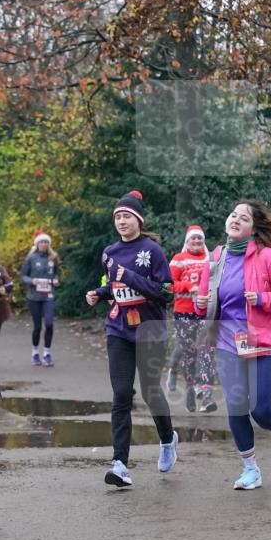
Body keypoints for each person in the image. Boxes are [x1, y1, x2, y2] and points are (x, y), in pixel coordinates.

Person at [195, 200, 271, 490]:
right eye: (233, 215)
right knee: (237, 408)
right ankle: (250, 469)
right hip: (228, 344)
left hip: (264, 343)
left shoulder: (266, 257)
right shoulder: (216, 257)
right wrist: (199, 302)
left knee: (260, 410)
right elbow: (203, 301)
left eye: (243, 217)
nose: (236, 220)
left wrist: (264, 299)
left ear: (254, 228)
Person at [86, 190, 178, 488]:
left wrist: (129, 277)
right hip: (118, 329)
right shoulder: (109, 252)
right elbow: (112, 285)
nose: (121, 221)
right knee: (122, 394)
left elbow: (166, 292)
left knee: (151, 392)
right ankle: (120, 464)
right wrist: (99, 294)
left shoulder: (152, 251)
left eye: (126, 216)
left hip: (150, 330)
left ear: (138, 219)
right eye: (117, 217)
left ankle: (167, 438)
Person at [168, 225, 218, 413]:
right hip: (184, 313)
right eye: (193, 239)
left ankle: (206, 396)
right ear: (186, 242)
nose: (197, 242)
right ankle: (190, 388)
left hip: (206, 313)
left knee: (206, 352)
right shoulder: (179, 260)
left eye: (200, 239)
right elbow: (168, 285)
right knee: (189, 354)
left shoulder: (211, 258)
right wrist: (189, 286)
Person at [21, 230, 60, 366]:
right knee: (37, 326)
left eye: (46, 242)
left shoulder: (53, 258)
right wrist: (32, 281)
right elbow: (23, 276)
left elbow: (56, 274)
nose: (43, 244)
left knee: (49, 324)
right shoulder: (31, 258)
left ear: (48, 244)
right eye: (41, 242)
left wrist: (55, 280)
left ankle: (47, 354)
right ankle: (35, 353)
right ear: (37, 244)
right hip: (34, 296)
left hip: (48, 296)